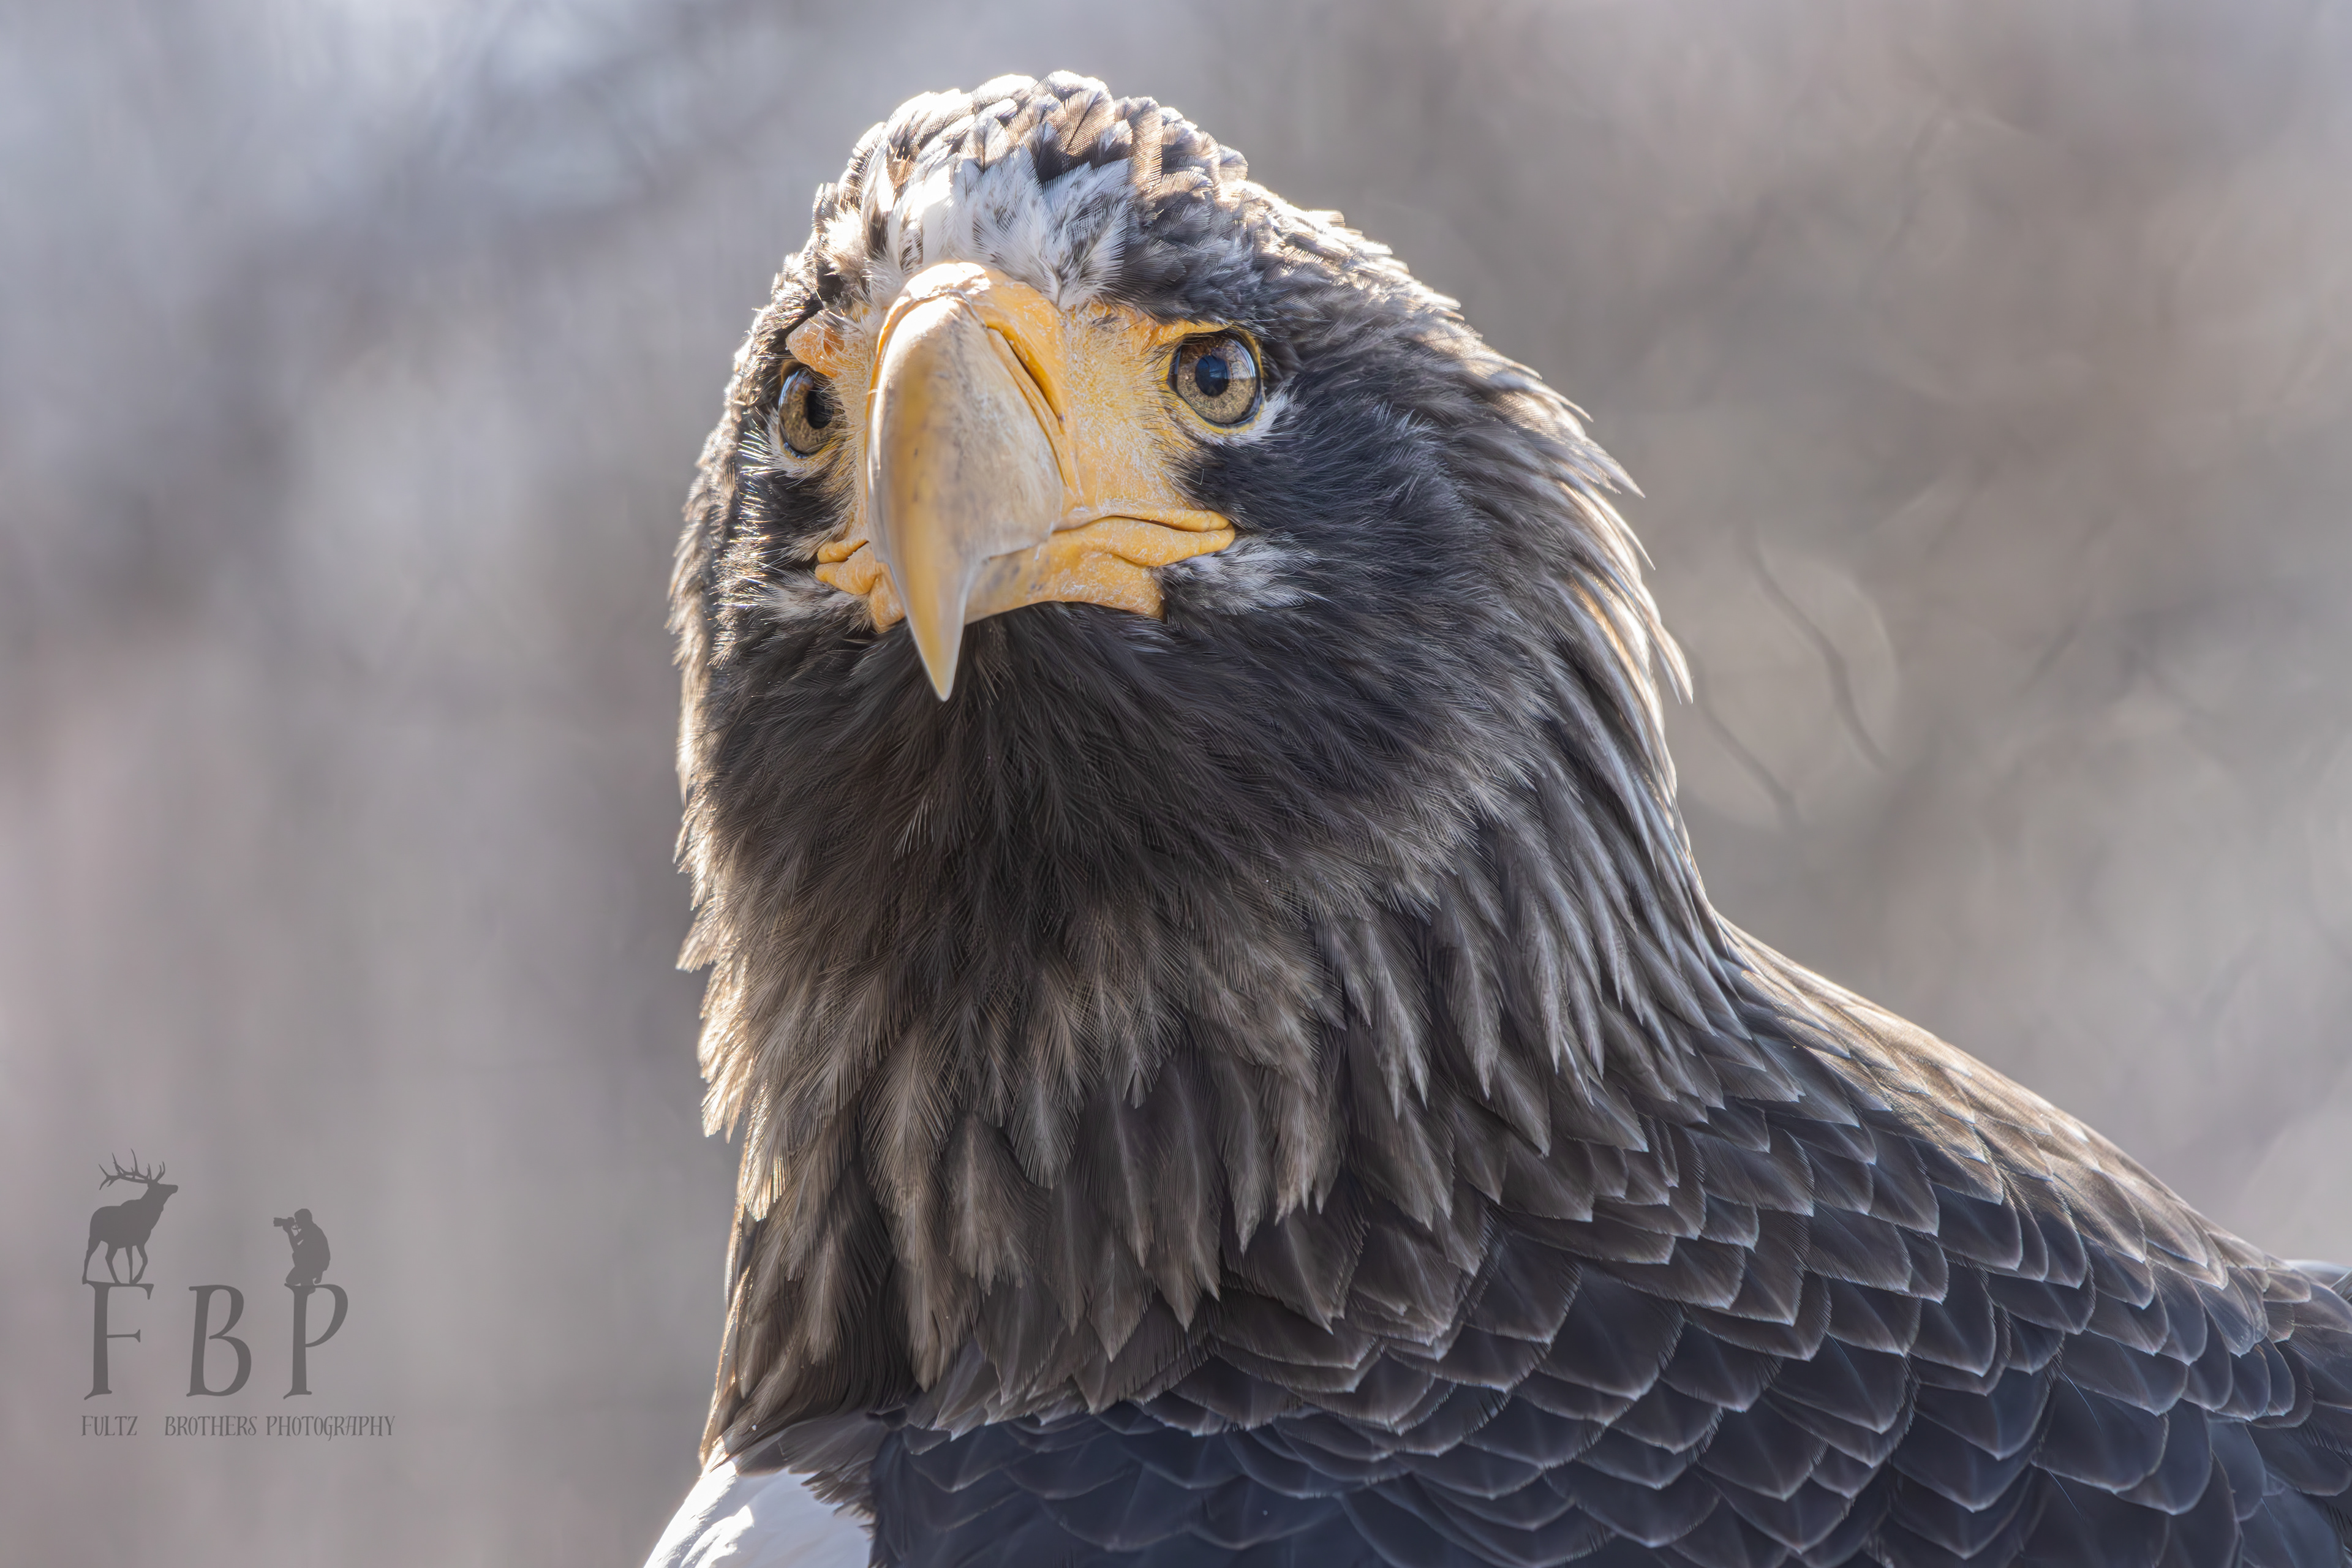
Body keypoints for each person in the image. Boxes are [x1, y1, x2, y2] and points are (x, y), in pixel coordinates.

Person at [273, 1208, 330, 1288]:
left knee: (296, 1255)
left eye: (298, 1220)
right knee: (290, 1280)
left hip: (317, 1262)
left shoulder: (312, 1231)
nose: (297, 1222)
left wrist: (289, 1231)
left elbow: (297, 1250)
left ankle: (308, 1284)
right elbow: (295, 1242)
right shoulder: (309, 1229)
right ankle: (309, 1280)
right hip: (316, 1262)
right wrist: (289, 1230)